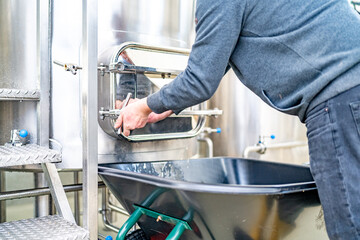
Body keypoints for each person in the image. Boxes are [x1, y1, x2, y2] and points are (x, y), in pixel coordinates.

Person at [114, 0, 360, 239]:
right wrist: (166, 103)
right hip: (349, 92)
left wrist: (144, 107)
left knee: (350, 226)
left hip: (340, 100)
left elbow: (200, 81)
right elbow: (216, 59)